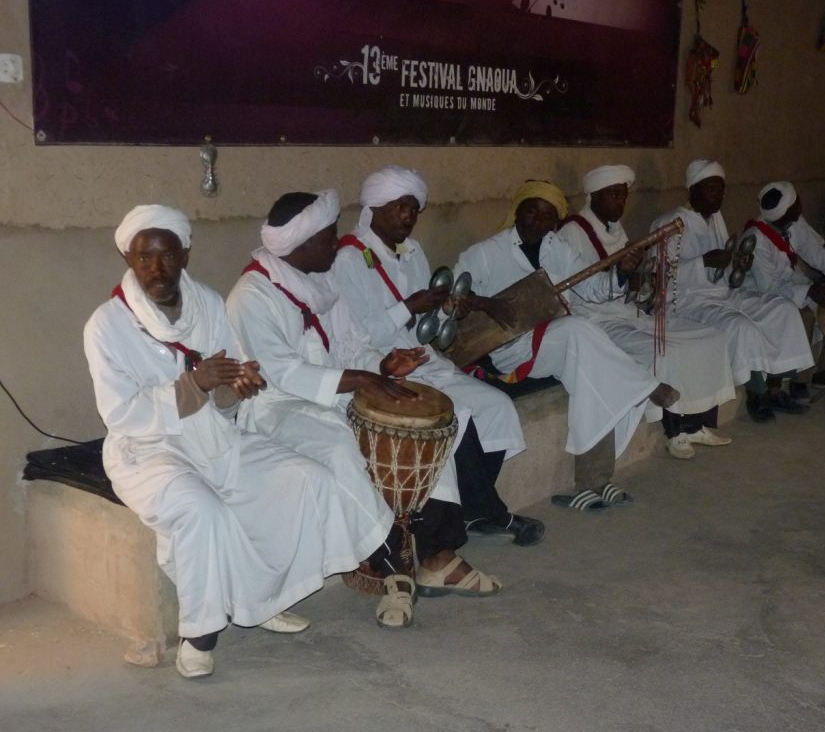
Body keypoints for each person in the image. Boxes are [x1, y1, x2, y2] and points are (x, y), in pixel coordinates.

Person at [84, 205, 375, 679]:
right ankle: (197, 635)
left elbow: (225, 392)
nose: (157, 269)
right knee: (203, 511)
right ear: (129, 259)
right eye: (144, 258)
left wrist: (234, 386)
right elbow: (122, 413)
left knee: (305, 477)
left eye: (167, 256)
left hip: (214, 437)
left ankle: (265, 599)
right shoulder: (106, 326)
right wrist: (195, 384)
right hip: (147, 452)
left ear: (185, 254)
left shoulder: (208, 304)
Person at [226, 189, 502, 630]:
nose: (337, 244)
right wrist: (363, 380)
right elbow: (283, 373)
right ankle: (394, 567)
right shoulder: (251, 295)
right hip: (280, 409)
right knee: (341, 447)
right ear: (300, 243)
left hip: (336, 393)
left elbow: (352, 345)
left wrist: (383, 366)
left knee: (421, 422)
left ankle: (436, 552)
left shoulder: (321, 280)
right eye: (329, 236)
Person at [333, 166, 543, 545]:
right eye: (400, 207)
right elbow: (358, 336)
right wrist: (408, 306)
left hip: (423, 358)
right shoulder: (348, 258)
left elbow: (423, 328)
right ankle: (492, 513)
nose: (408, 217)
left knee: (496, 406)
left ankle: (474, 511)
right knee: (457, 417)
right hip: (381, 366)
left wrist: (445, 310)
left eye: (414, 209)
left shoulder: (414, 253)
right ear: (375, 207)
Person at [455, 179, 680, 512]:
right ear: (518, 210)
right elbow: (455, 298)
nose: (538, 221)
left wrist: (620, 271)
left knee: (594, 374)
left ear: (554, 223)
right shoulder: (485, 253)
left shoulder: (556, 247)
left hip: (555, 338)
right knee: (578, 330)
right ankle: (644, 385)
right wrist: (485, 303)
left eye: (548, 216)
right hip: (512, 350)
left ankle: (594, 481)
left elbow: (592, 289)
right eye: (531, 210)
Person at [558, 165, 735, 460]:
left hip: (629, 312)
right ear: (593, 197)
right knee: (664, 351)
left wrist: (639, 278)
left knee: (711, 337)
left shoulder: (614, 228)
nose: (620, 203)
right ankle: (675, 431)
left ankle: (697, 424)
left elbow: (627, 276)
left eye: (623, 196)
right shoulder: (572, 233)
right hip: (598, 321)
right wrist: (623, 274)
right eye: (613, 195)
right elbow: (585, 289)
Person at [650, 160, 814, 423]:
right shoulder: (669, 223)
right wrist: (703, 262)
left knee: (782, 309)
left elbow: (723, 273)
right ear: (692, 190)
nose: (719, 195)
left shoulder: (716, 219)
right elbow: (659, 277)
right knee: (741, 326)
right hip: (688, 302)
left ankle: (775, 388)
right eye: (711, 188)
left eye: (721, 189)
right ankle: (756, 395)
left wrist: (737, 265)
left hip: (721, 294)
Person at [739, 181, 825, 400]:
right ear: (791, 208)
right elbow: (769, 287)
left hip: (791, 285)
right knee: (801, 315)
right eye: (797, 202)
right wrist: (808, 291)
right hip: (758, 295)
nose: (800, 206)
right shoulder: (755, 238)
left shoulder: (795, 224)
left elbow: (819, 255)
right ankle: (798, 382)